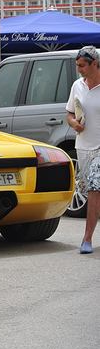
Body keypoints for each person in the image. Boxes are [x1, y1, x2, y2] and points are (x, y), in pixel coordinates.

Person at [66, 45, 100, 254]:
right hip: (83, 148)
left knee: (94, 190)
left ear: (94, 64)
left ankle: (86, 239)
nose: (78, 69)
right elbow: (69, 113)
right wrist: (73, 124)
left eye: (82, 66)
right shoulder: (77, 86)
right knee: (90, 191)